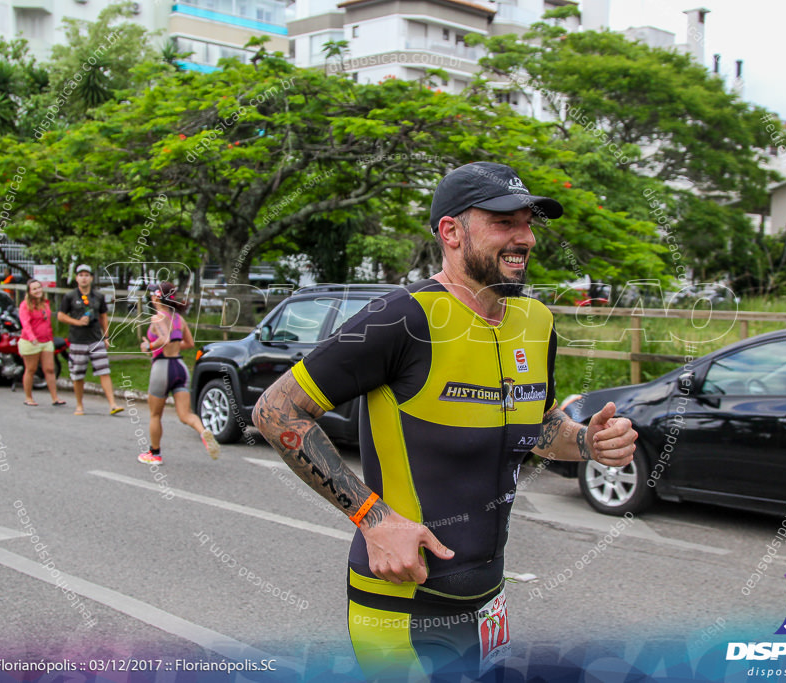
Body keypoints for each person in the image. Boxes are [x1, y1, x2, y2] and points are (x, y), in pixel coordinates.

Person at [252, 162, 639, 680]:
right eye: (504, 223)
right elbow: (276, 411)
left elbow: (535, 427)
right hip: (402, 602)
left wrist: (588, 443)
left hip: (489, 599)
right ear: (451, 232)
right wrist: (373, 516)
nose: (524, 237)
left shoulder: (536, 320)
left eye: (528, 223)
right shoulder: (402, 318)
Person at [136, 282, 220, 464]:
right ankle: (203, 432)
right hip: (180, 367)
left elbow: (164, 338)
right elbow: (189, 343)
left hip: (162, 368)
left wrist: (148, 346)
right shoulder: (178, 319)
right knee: (185, 415)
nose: (150, 297)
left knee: (155, 415)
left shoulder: (157, 317)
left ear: (157, 297)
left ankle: (154, 453)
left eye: (151, 294)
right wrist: (171, 345)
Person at [56, 265, 122, 416]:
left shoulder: (98, 296)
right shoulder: (70, 296)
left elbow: (103, 316)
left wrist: (106, 336)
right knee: (78, 374)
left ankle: (113, 404)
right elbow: (60, 315)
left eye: (87, 275)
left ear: (91, 278)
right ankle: (79, 405)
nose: (84, 277)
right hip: (77, 340)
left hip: (95, 339)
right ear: (76, 278)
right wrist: (77, 322)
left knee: (104, 370)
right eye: (81, 275)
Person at [19, 278, 66, 407]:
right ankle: (28, 397)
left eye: (39, 287)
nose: (37, 290)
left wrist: (50, 338)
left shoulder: (45, 303)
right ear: (29, 292)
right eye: (34, 289)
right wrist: (32, 337)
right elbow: (25, 323)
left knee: (50, 369)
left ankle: (55, 398)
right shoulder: (25, 305)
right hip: (31, 341)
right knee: (31, 369)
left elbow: (47, 322)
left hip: (46, 341)